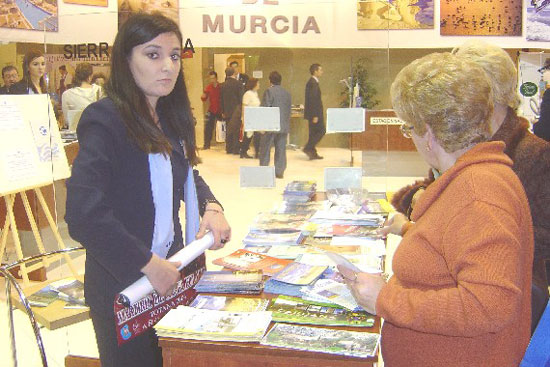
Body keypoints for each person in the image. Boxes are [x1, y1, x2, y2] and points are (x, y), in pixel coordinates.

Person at [340, 52, 533, 367]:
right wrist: (408, 229)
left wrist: (385, 298)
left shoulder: (479, 192)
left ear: (428, 132)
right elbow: (457, 245)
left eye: (408, 128)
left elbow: (489, 305)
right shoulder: (473, 179)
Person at [65, 13, 231, 367]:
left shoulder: (169, 117)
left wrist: (211, 206)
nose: (167, 66)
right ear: (126, 60)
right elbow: (82, 213)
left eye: (174, 56)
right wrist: (146, 264)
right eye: (152, 55)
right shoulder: (105, 119)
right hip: (125, 283)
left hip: (171, 275)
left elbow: (184, 173)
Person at [390, 40, 550, 334]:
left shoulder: (535, 155)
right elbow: (427, 196)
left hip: (506, 301)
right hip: (449, 290)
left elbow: (489, 299)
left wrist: (490, 231)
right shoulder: (460, 145)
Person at [259, 71, 291, 179]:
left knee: (265, 148)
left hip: (270, 125)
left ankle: (264, 170)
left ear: (269, 80)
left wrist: (262, 125)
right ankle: (279, 171)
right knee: (281, 149)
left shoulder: (269, 91)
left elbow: (265, 108)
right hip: (283, 125)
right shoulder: (286, 93)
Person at [62, 63, 104, 130]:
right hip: (97, 132)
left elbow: (67, 120)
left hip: (76, 133)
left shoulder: (66, 94)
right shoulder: (100, 90)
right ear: (90, 76)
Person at [220, 67, 244, 154]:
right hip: (236, 111)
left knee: (228, 129)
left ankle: (228, 148)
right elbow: (241, 98)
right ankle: (236, 148)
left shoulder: (223, 85)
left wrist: (222, 111)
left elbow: (221, 99)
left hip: (226, 111)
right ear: (234, 73)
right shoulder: (238, 84)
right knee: (236, 130)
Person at [303, 63, 324, 160]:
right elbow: (313, 99)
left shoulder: (313, 82)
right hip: (315, 114)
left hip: (314, 113)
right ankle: (308, 148)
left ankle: (312, 152)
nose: (322, 72)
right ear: (315, 71)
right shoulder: (312, 83)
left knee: (313, 133)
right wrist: (315, 115)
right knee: (321, 131)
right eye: (320, 70)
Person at [239, 77, 261, 159]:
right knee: (248, 135)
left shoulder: (255, 93)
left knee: (256, 135)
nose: (259, 85)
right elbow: (244, 106)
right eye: (258, 83)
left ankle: (256, 152)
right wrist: (244, 118)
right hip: (249, 117)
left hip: (256, 117)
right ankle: (243, 152)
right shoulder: (247, 94)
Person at [200, 70, 221, 149]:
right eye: (210, 79)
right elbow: (204, 98)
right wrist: (203, 96)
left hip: (220, 110)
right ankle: (206, 145)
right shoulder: (208, 87)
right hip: (212, 109)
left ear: (216, 78)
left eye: (213, 78)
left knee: (223, 127)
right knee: (208, 127)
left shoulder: (220, 87)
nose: (212, 80)